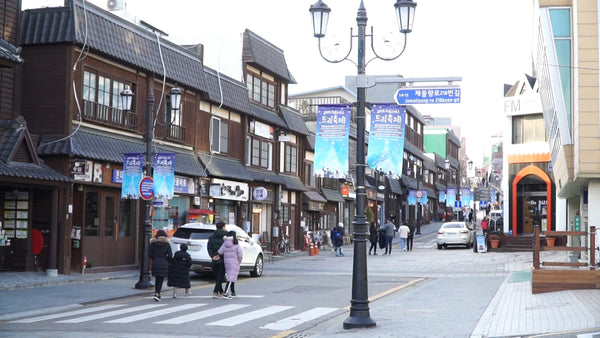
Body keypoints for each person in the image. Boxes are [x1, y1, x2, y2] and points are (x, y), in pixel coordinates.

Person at [218, 231, 243, 299]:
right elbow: (240, 255)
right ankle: (225, 293)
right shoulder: (236, 246)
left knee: (231, 276)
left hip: (227, 263)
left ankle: (233, 292)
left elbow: (220, 252)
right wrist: (239, 261)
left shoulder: (224, 244)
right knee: (231, 278)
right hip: (235, 262)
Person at [148, 229, 172, 302]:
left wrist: (154, 258)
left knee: (157, 279)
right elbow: (170, 255)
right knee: (160, 279)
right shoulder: (167, 244)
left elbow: (150, 254)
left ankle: (157, 293)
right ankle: (157, 293)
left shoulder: (152, 244)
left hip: (155, 262)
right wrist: (167, 260)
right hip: (164, 262)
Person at [207, 220, 228, 299]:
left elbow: (209, 248)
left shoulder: (212, 237)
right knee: (221, 276)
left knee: (218, 276)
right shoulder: (227, 236)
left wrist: (213, 256)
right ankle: (215, 291)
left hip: (215, 259)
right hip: (223, 258)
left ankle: (221, 291)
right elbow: (228, 247)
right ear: (223, 227)